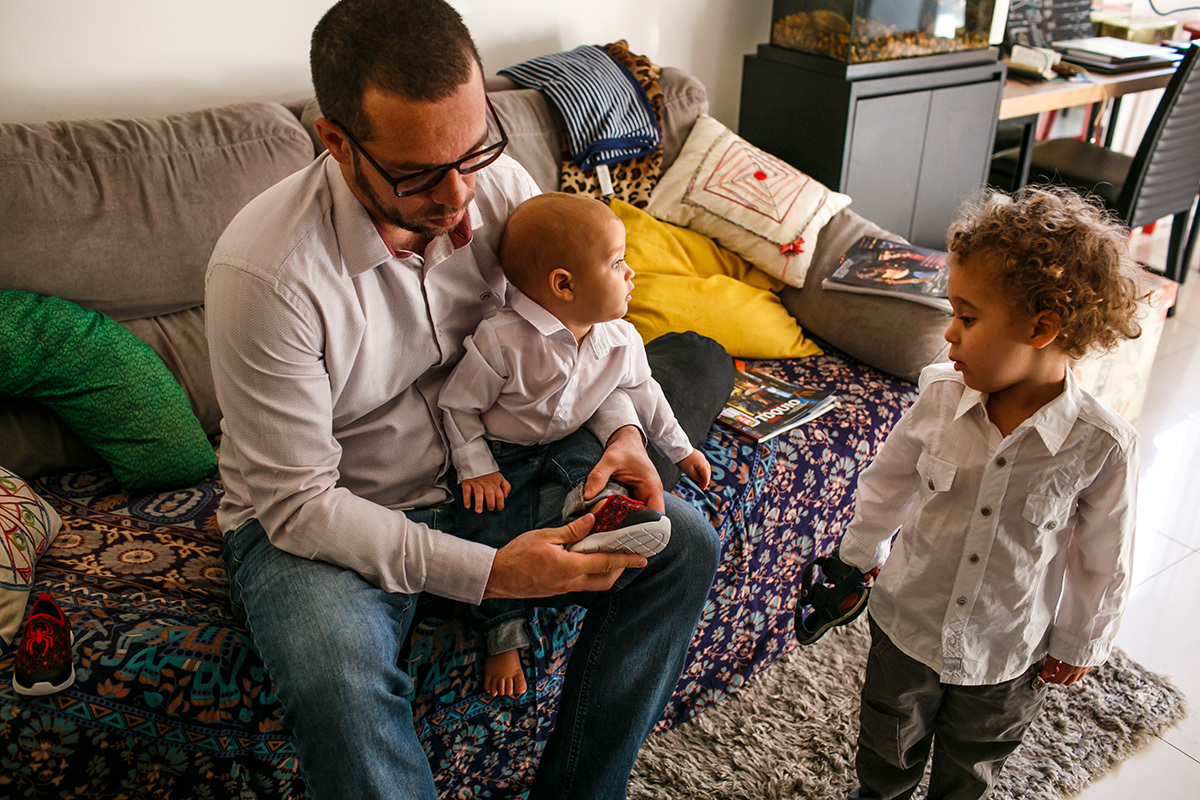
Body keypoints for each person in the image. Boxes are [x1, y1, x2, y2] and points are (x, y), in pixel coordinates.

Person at [203, 1, 722, 798]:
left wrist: (621, 431)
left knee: (684, 542)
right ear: (335, 141)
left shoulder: (500, 186)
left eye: (472, 151)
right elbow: (299, 506)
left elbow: (578, 332)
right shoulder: (266, 275)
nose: (458, 198)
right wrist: (491, 574)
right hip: (327, 513)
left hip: (502, 464)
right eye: (417, 173)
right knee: (338, 679)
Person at [834, 185, 1143, 800]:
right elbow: (888, 481)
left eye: (967, 317)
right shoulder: (939, 396)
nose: (949, 334)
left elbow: (1103, 556)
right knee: (887, 747)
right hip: (909, 625)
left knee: (973, 764)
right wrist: (858, 554)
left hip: (1007, 649)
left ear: (1042, 327)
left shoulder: (1101, 444)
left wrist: (1081, 638)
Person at [438, 192, 712, 698]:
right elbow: (458, 406)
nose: (632, 274)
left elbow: (641, 392)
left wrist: (680, 449)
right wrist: (475, 465)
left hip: (571, 440)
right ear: (563, 284)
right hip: (505, 452)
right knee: (489, 522)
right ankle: (503, 635)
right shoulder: (504, 340)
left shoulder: (622, 338)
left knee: (591, 468)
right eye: (618, 263)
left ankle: (602, 513)